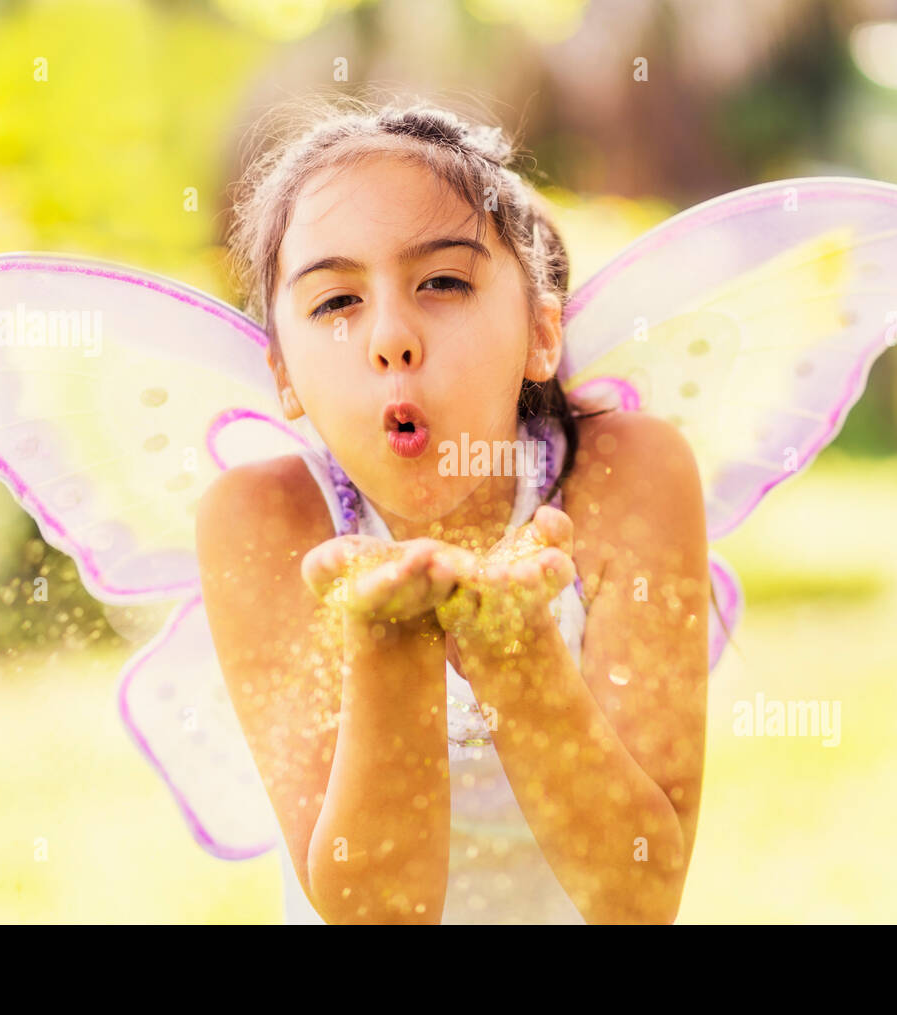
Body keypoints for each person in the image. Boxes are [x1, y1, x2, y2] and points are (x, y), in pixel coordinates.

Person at [195, 96, 711, 924]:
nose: (391, 337)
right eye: (335, 302)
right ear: (284, 374)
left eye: (442, 281)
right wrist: (388, 637)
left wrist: (516, 651)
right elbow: (374, 909)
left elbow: (639, 893)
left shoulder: (629, 476)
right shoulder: (263, 522)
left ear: (541, 332)